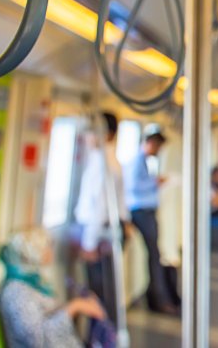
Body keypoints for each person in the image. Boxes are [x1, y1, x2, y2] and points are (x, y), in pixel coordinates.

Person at [0, 228, 107, 348]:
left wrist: (81, 304)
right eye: (46, 246)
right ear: (32, 254)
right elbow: (38, 342)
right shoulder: (16, 292)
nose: (51, 250)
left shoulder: (32, 282)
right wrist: (75, 306)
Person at [73, 111, 128, 325]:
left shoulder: (103, 164)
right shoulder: (107, 160)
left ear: (106, 135)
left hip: (97, 236)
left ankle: (103, 338)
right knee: (105, 290)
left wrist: (88, 243)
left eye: (92, 133)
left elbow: (99, 207)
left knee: (99, 294)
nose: (87, 138)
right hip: (102, 233)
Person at [125, 126, 178, 315]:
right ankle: (158, 299)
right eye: (157, 147)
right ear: (151, 143)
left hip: (147, 211)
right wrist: (156, 183)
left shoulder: (145, 162)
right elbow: (133, 186)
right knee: (155, 256)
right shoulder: (137, 162)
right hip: (141, 212)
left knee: (155, 255)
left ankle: (159, 296)